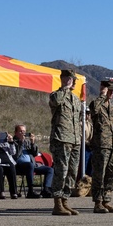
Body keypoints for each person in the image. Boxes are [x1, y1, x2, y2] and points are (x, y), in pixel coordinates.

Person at [49, 69, 84, 215]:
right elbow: (55, 102)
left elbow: (80, 118)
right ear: (64, 79)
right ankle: (57, 203)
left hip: (75, 139)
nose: (74, 82)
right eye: (71, 79)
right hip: (61, 139)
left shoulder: (76, 99)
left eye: (74, 80)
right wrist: (64, 87)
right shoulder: (56, 95)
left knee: (72, 172)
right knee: (61, 171)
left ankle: (65, 200)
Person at [87, 80, 113, 212]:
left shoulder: (112, 107)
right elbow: (93, 110)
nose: (111, 93)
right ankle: (98, 202)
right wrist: (102, 95)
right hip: (101, 145)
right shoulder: (97, 104)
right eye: (109, 90)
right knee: (99, 175)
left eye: (112, 91)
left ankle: (107, 199)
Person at [11, 124, 52, 199]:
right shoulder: (13, 142)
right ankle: (30, 190)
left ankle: (46, 189)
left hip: (32, 165)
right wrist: (20, 142)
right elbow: (16, 155)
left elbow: (35, 153)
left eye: (24, 131)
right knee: (29, 165)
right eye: (20, 131)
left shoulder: (27, 142)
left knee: (50, 169)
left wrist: (33, 143)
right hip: (19, 165)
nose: (23, 133)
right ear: (15, 133)